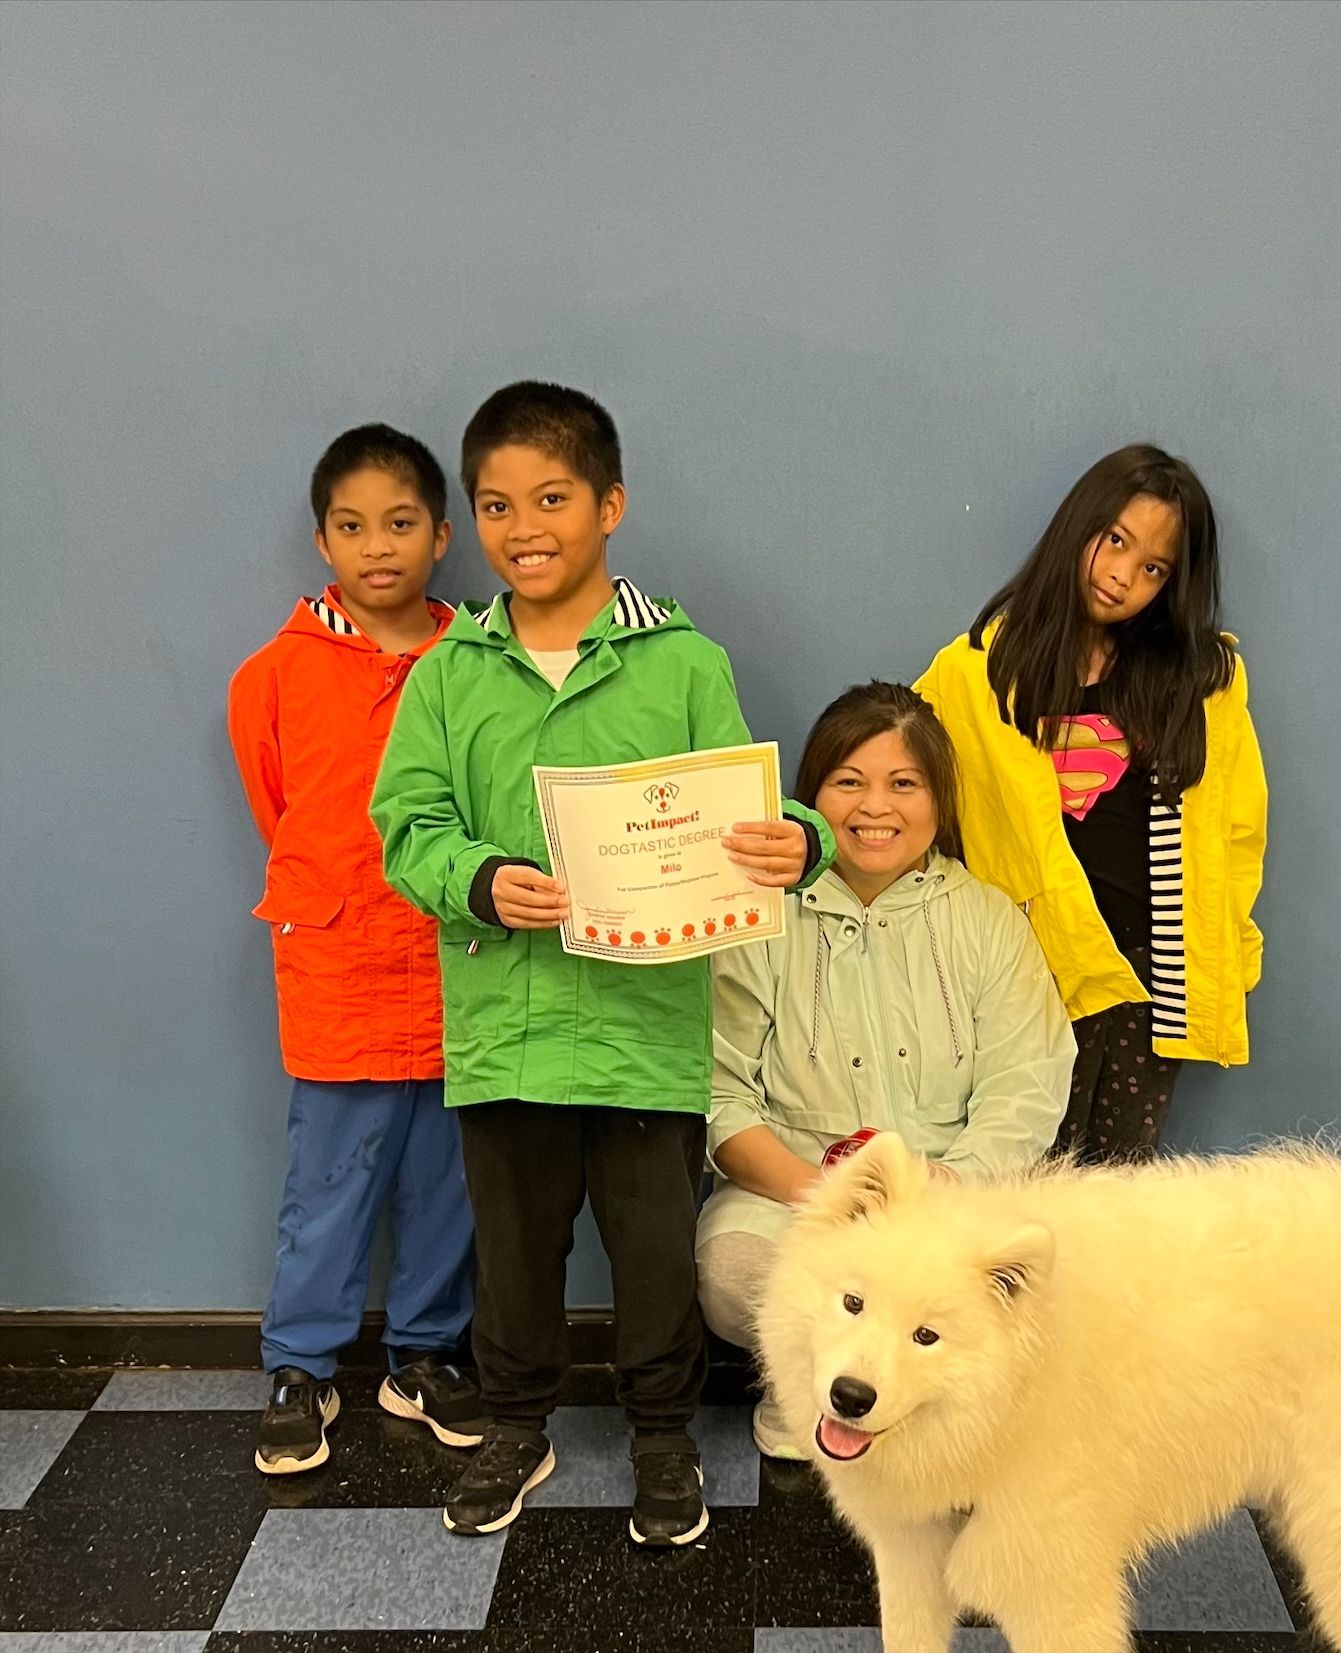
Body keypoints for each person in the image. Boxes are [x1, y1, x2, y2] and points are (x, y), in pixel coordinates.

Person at [372, 381, 831, 1542]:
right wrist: (478, 879)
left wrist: (801, 837)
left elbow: (738, 814)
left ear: (610, 505)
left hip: (644, 1033)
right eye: (493, 504)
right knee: (514, 1260)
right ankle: (514, 1428)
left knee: (654, 1259)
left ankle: (663, 1438)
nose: (523, 527)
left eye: (553, 497)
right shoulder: (447, 673)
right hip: (506, 1031)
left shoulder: (682, 665)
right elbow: (405, 823)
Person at [699, 681, 1074, 1462]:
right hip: (796, 1194)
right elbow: (718, 1089)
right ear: (812, 797)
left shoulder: (988, 921)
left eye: (904, 784)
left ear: (939, 800)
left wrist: (938, 1196)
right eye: (849, 782)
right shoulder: (756, 917)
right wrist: (830, 1200)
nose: (877, 808)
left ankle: (931, 1405)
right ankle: (802, 1392)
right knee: (735, 1269)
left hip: (956, 1200)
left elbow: (1026, 1084)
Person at [229, 424, 484, 1476]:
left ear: (439, 535)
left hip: (459, 964)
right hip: (336, 968)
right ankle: (300, 1363)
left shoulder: (477, 658)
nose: (377, 545)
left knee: (449, 1176)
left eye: (400, 523)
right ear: (322, 539)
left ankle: (426, 1352)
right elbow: (275, 802)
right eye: (351, 525)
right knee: (330, 1177)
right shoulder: (275, 675)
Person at [916, 444, 1268, 1162]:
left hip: (1150, 970)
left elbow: (1238, 829)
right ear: (1078, 526)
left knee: (1114, 1192)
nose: (1121, 576)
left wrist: (1233, 950)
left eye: (1153, 568)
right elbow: (906, 785)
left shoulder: (1200, 681)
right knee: (1014, 1181)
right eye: (1114, 540)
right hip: (1030, 971)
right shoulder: (978, 669)